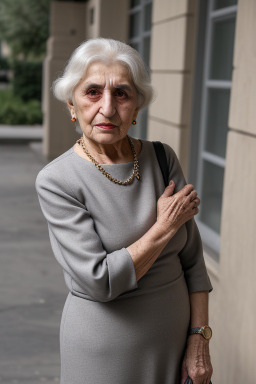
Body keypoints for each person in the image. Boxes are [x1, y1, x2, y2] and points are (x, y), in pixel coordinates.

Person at [36, 38, 213, 384]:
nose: (107, 107)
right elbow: (100, 281)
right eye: (92, 92)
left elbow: (193, 262)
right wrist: (164, 227)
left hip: (177, 347)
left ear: (136, 107)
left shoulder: (162, 158)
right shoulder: (57, 180)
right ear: (72, 104)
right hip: (104, 354)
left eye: (121, 93)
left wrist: (199, 339)